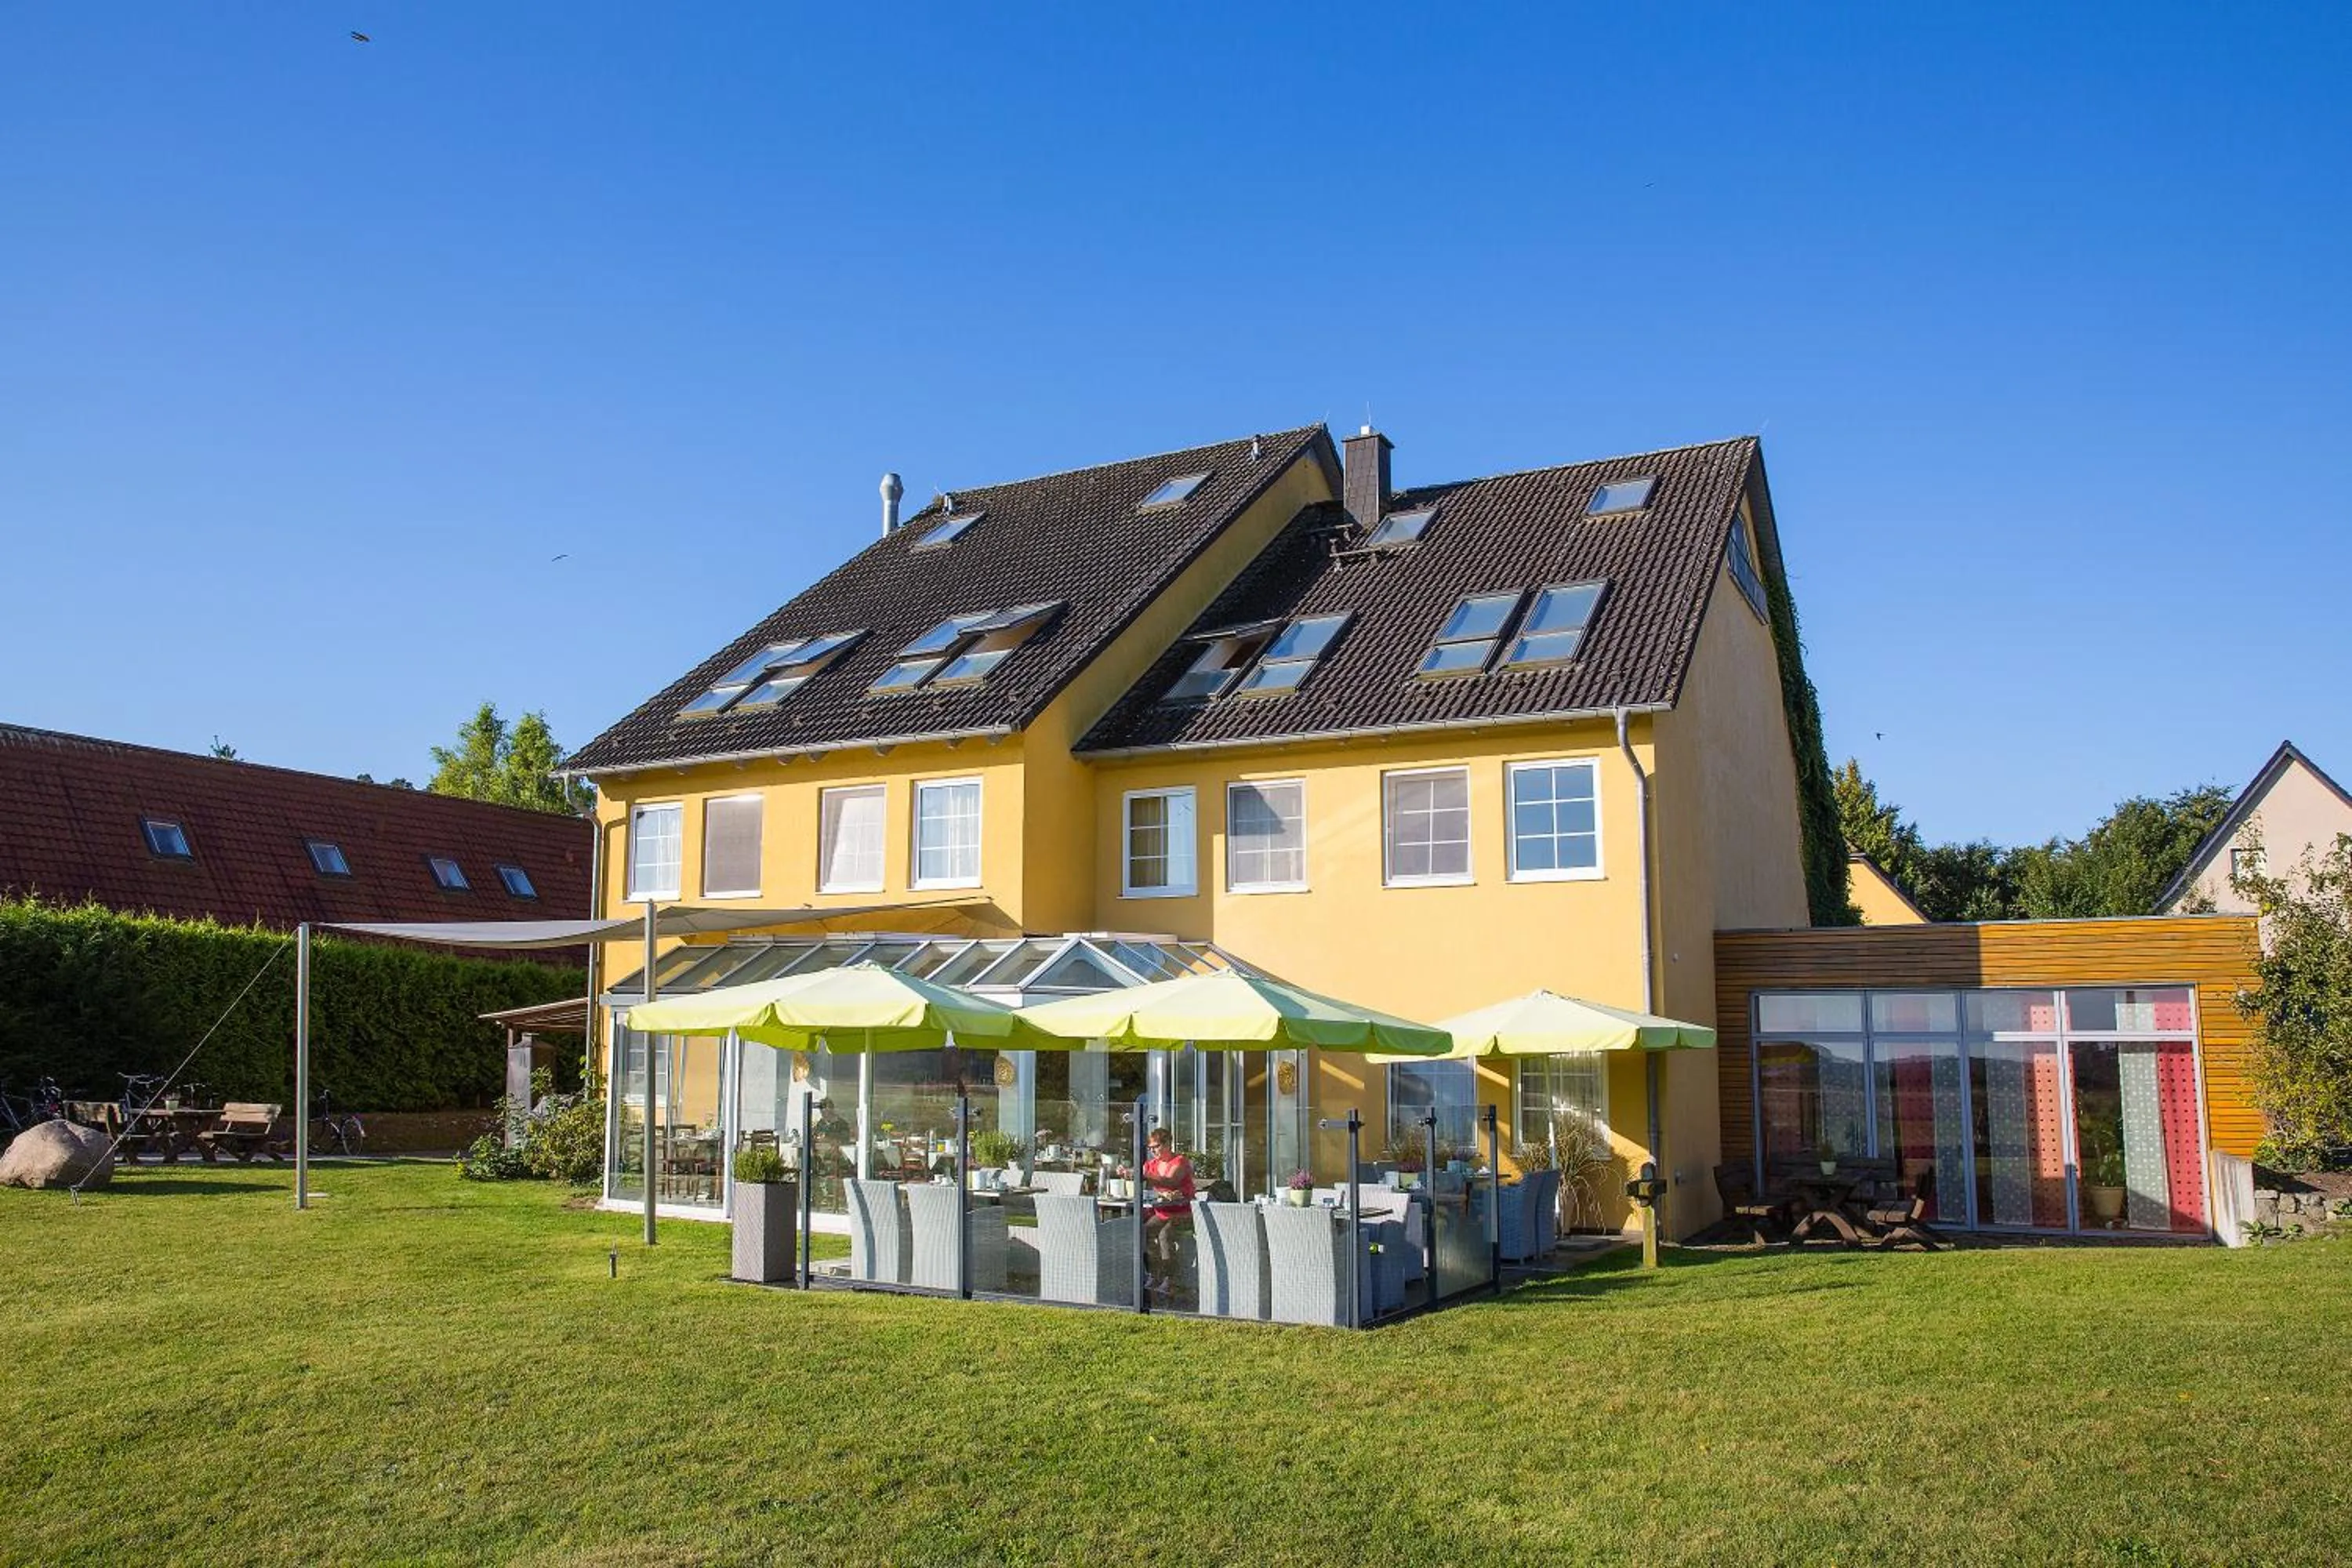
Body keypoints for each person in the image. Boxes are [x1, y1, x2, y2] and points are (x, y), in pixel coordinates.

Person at [1141, 1126, 1196, 1295]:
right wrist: (1127, 1174)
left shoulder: (1180, 1161)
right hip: (1163, 1212)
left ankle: (1170, 1279)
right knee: (1143, 1232)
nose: (1153, 1151)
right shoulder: (1152, 1165)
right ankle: (1154, 1272)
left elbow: (1171, 1181)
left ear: (1167, 1144)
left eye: (1156, 1147)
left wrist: (1143, 1175)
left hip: (1184, 1213)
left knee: (1165, 1235)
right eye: (1150, 1148)